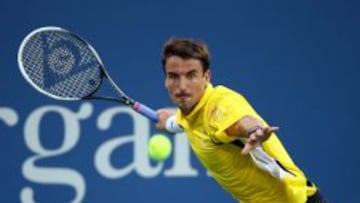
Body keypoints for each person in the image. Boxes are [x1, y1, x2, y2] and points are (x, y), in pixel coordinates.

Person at [155, 38, 328, 203]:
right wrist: (168, 123)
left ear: (206, 78)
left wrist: (254, 131)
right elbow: (182, 123)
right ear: (166, 80)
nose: (182, 85)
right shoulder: (190, 113)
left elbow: (241, 123)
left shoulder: (220, 106)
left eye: (191, 75)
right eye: (174, 76)